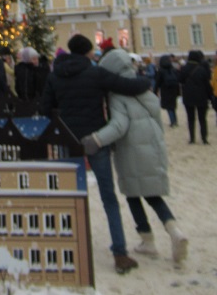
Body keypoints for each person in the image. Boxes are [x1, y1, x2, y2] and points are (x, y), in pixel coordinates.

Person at [39, 33, 151, 274]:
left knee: (67, 195)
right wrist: (146, 82)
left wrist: (61, 124)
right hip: (95, 140)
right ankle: (120, 253)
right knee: (108, 196)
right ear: (88, 52)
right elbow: (127, 87)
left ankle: (67, 248)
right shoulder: (95, 72)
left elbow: (45, 108)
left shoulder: (55, 74)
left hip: (67, 140)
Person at [81, 48, 188, 267]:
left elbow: (119, 126)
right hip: (153, 146)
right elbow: (157, 119)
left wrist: (96, 140)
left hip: (132, 150)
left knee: (133, 195)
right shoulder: (145, 90)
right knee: (153, 194)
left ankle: (147, 239)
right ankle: (173, 230)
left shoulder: (118, 96)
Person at [179, 50, 214, 144]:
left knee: (190, 119)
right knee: (202, 119)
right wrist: (211, 97)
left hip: (188, 96)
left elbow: (180, 80)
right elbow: (207, 84)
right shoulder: (202, 69)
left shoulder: (184, 68)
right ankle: (204, 138)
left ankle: (192, 138)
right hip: (201, 96)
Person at [155, 54, 180, 127]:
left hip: (165, 90)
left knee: (168, 107)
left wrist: (155, 91)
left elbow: (158, 82)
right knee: (173, 106)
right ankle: (175, 121)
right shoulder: (173, 69)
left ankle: (172, 122)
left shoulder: (161, 70)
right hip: (174, 90)